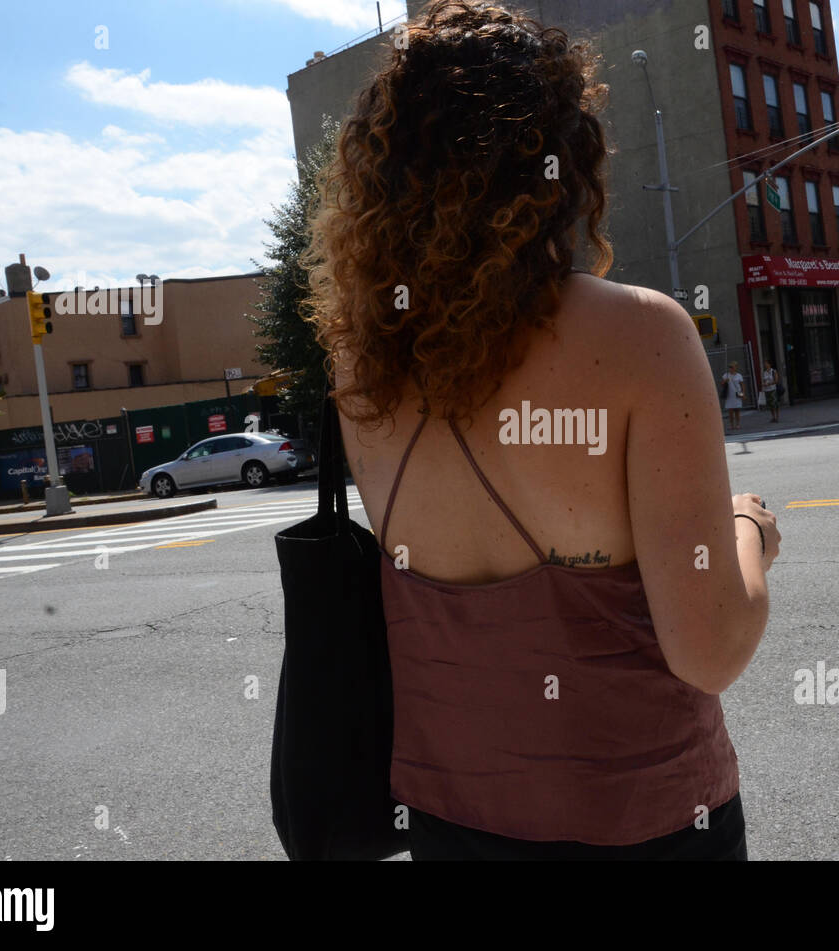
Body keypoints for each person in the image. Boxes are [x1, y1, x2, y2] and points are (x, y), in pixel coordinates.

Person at [305, 0, 779, 860]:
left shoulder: (357, 365)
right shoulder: (644, 338)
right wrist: (751, 532)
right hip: (646, 824)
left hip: (449, 824)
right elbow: (708, 648)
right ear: (561, 164)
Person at [721, 361, 745, 432]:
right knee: (730, 411)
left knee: (737, 410)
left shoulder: (739, 375)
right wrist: (725, 381)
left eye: (732, 367)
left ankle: (738, 424)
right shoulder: (726, 375)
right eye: (730, 367)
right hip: (729, 395)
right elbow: (722, 384)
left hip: (737, 394)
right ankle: (732, 425)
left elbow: (742, 385)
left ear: (735, 368)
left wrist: (743, 393)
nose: (730, 368)